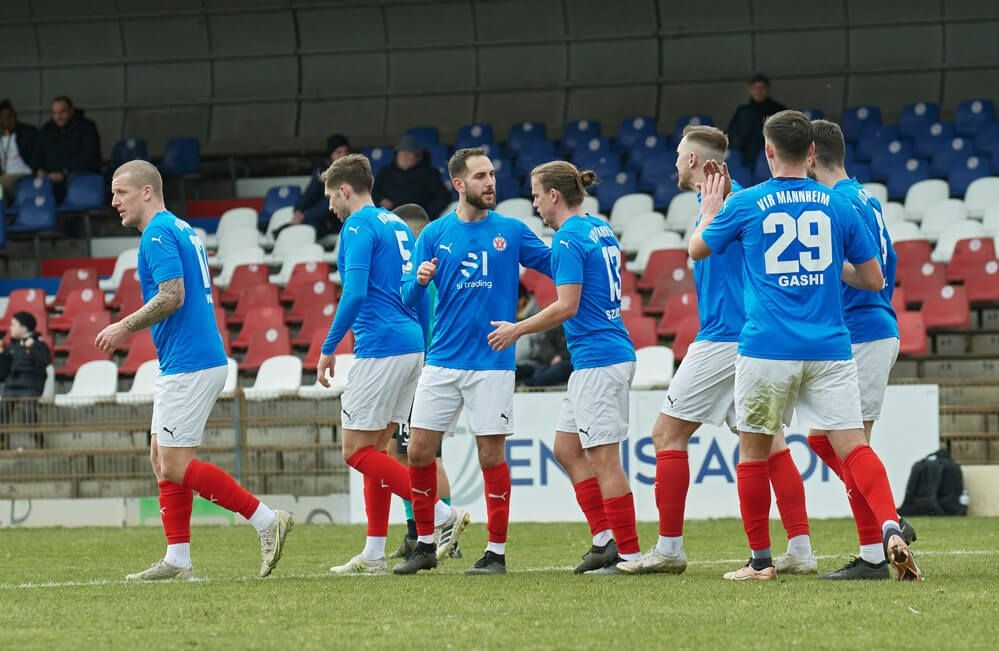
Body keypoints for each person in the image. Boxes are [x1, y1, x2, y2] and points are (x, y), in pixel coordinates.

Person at [689, 110, 920, 582]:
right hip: (831, 347)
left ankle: (760, 563)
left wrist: (711, 211)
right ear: (811, 153)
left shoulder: (748, 202)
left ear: (769, 151)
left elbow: (698, 249)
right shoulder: (837, 204)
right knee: (853, 445)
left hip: (767, 346)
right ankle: (889, 524)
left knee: (754, 452)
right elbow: (874, 279)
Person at [619, 125, 816, 577]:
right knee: (770, 445)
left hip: (725, 337)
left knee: (666, 435)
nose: (673, 162)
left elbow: (702, 253)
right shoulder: (739, 199)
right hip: (751, 337)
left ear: (693, 162)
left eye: (678, 155)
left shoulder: (726, 204)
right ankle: (801, 551)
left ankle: (669, 549)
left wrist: (710, 214)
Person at [95, 160, 293, 581]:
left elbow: (172, 296)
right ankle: (178, 559)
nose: (114, 202)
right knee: (159, 456)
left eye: (121, 192)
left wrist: (123, 326)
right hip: (189, 358)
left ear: (147, 191)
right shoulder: (182, 229)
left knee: (174, 465)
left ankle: (264, 519)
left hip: (190, 361)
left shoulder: (157, 233)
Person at [395, 147, 552, 575]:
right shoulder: (434, 234)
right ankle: (425, 544)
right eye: (481, 176)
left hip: (491, 363)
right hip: (442, 360)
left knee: (490, 457)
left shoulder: (512, 231)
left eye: (492, 175)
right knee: (420, 452)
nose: (491, 183)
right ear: (459, 184)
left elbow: (558, 265)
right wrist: (418, 280)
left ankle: (496, 553)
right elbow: (408, 297)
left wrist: (580, 239)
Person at [314, 155, 468, 575]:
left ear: (345, 190)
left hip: (379, 345)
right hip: (410, 343)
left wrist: (329, 347)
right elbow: (412, 290)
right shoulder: (397, 225)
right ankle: (375, 551)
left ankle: (438, 515)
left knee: (355, 451)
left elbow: (356, 293)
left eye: (330, 196)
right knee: (379, 450)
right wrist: (421, 345)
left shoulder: (358, 225)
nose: (330, 206)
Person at [489, 161, 641, 575]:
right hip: (598, 356)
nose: (534, 202)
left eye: (536, 193)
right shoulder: (597, 227)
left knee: (604, 459)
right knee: (566, 449)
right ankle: (604, 539)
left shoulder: (569, 237)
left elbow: (567, 305)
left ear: (554, 195)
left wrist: (518, 329)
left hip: (599, 359)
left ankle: (628, 553)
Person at [807, 119, 914, 580]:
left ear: (809, 155)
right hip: (863, 330)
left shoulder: (838, 202)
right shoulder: (862, 194)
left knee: (852, 445)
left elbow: (869, 273)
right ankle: (885, 516)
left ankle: (874, 553)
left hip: (865, 329)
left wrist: (829, 267)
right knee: (825, 439)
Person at [384, 202, 462, 562]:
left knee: (422, 454)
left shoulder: (424, 274)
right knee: (401, 454)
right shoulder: (426, 271)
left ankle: (444, 532)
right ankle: (418, 530)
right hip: (424, 369)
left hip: (426, 369)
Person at [31, 96, 101, 203]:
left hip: (76, 174)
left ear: (71, 111)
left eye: (62, 112)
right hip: (50, 177)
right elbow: (37, 155)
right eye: (55, 113)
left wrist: (65, 173)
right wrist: (39, 169)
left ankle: (73, 217)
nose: (58, 116)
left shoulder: (86, 127)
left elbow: (89, 156)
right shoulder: (47, 129)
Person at [372, 134, 450, 221]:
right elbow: (373, 192)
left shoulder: (429, 173)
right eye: (401, 153)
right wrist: (380, 201)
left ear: (417, 157)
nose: (404, 156)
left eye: (409, 153)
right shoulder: (385, 172)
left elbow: (443, 197)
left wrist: (425, 215)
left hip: (418, 221)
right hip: (389, 219)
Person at [0, 312, 51, 440]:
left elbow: (45, 362)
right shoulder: (11, 347)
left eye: (13, 325)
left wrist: (32, 348)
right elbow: (2, 374)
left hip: (30, 388)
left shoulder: (39, 345)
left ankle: (39, 443)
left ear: (24, 328)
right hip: (10, 388)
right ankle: (2, 444)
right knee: (2, 413)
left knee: (28, 413)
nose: (10, 328)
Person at [291, 134, 351, 241]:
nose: (342, 156)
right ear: (331, 155)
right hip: (321, 220)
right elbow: (310, 194)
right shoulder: (323, 171)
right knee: (309, 226)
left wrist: (307, 215)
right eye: (338, 152)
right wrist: (299, 211)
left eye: (345, 152)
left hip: (343, 221)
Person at [514, 283, 572, 388]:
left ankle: (530, 384)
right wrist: (551, 357)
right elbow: (545, 342)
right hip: (547, 364)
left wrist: (560, 357)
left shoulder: (540, 317)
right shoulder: (557, 322)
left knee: (560, 368)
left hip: (556, 364)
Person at [727, 73, 787, 167]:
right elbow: (732, 134)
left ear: (768, 89)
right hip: (746, 159)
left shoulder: (779, 110)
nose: (759, 91)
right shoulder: (743, 111)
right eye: (755, 88)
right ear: (750, 90)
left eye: (762, 88)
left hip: (772, 159)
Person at [0, 100, 38, 200]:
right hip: (5, 176)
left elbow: (39, 154)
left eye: (14, 116)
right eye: (8, 117)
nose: (13, 119)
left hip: (24, 173)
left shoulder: (28, 132)